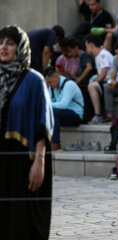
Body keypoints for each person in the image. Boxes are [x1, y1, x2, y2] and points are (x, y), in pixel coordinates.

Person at [0, 26, 54, 239]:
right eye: (1, 42)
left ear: (20, 48)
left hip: (24, 158)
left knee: (23, 219)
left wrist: (39, 162)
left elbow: (43, 122)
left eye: (11, 43)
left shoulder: (34, 80)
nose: (4, 47)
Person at [44, 67, 84, 151]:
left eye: (49, 82)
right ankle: (45, 142)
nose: (48, 85)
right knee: (46, 112)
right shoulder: (52, 87)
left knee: (53, 112)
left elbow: (63, 105)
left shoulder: (69, 84)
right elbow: (51, 104)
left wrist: (45, 104)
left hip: (75, 115)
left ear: (57, 77)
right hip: (62, 114)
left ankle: (55, 143)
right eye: (47, 83)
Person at [84, 34, 113, 123]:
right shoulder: (97, 56)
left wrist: (95, 82)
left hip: (111, 82)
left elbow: (104, 73)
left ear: (91, 45)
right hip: (105, 82)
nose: (86, 49)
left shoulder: (103, 54)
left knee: (92, 86)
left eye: (86, 46)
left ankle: (98, 115)